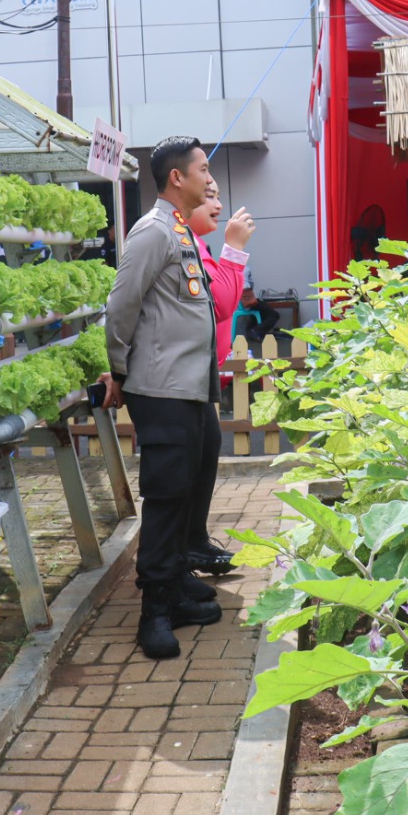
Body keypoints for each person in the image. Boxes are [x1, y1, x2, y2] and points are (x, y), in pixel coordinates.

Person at [99, 135, 230, 660]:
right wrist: (117, 368)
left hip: (190, 386)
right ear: (177, 178)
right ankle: (154, 608)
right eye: (202, 169)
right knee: (167, 495)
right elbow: (121, 304)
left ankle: (174, 584)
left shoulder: (179, 230)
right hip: (161, 388)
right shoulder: (153, 232)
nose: (209, 178)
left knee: (187, 489)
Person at [186, 181, 255, 363]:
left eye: (218, 197)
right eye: (209, 196)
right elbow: (219, 306)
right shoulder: (180, 244)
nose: (219, 205)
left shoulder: (193, 243)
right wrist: (234, 248)